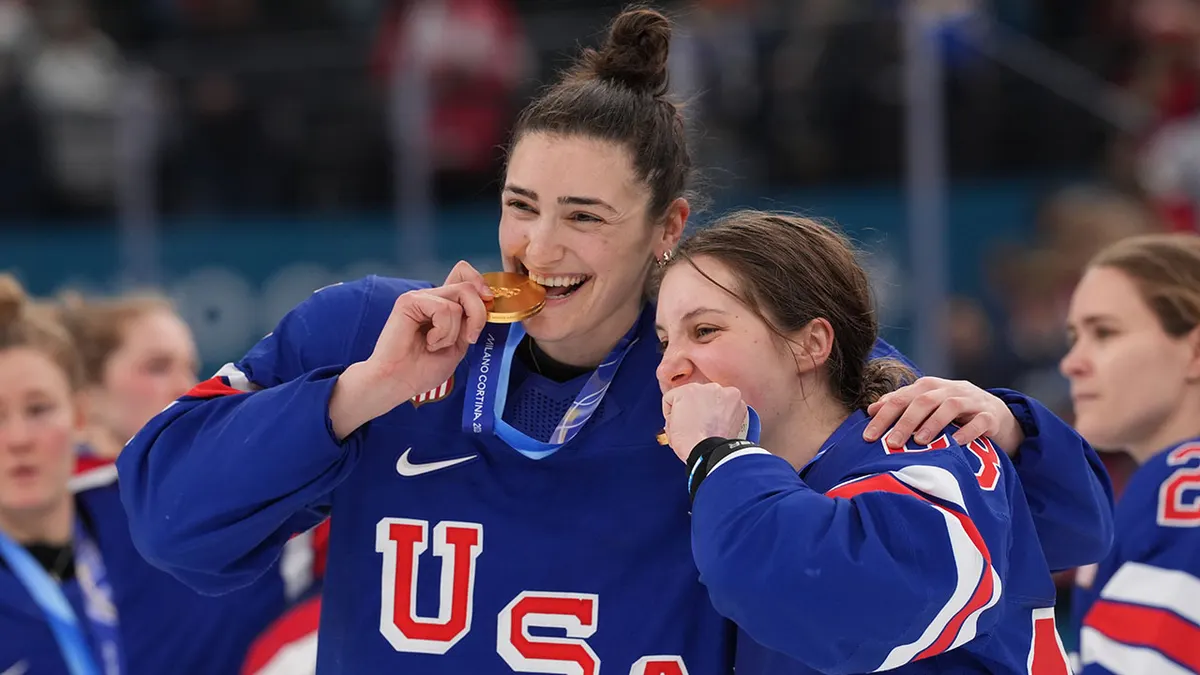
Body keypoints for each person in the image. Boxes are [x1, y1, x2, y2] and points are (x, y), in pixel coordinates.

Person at [118, 8, 1110, 674]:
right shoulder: (368, 331)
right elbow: (168, 524)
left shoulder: (721, 364)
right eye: (520, 206)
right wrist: (359, 393)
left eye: (584, 217)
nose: (539, 247)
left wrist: (1013, 429)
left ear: (666, 229)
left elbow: (1058, 536)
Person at [654, 210, 1095, 673]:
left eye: (705, 330)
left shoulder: (921, 451)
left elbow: (830, 603)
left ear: (810, 344)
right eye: (664, 342)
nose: (670, 367)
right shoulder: (764, 481)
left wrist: (718, 455)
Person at [0, 275, 296, 674]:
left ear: (78, 413)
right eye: (156, 367)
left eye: (38, 410)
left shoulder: (180, 528)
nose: (18, 439)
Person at [1060, 234, 1200, 675]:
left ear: (1195, 351)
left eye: (1104, 333)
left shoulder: (1180, 485)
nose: (1072, 363)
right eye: (1073, 337)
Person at [52, 291, 198, 474]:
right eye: (157, 368)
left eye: (191, 369)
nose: (185, 387)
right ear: (88, 386)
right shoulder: (45, 496)